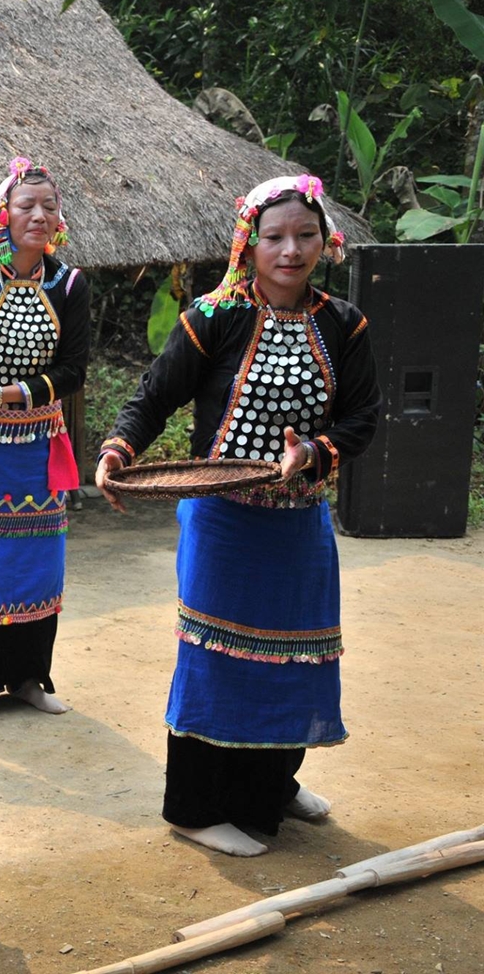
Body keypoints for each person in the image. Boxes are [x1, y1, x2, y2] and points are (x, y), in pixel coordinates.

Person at [95, 174, 380, 857]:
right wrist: (117, 450)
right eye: (274, 237)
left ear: (324, 241)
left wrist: (313, 449)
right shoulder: (213, 318)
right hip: (223, 521)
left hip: (300, 520)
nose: (290, 250)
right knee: (218, 657)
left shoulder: (344, 323)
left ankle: (273, 785)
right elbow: (153, 397)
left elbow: (363, 416)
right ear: (247, 244)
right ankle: (195, 807)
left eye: (304, 235)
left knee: (295, 657)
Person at [0, 157, 90, 734]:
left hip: (39, 448)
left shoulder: (68, 283)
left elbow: (74, 368)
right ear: (2, 215)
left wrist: (15, 392)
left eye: (49, 206)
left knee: (39, 566)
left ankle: (31, 677)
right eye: (26, 205)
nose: (38, 215)